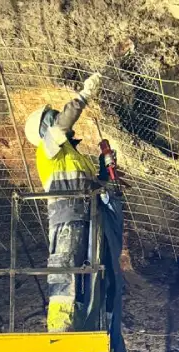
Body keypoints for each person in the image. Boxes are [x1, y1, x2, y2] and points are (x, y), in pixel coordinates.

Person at [24, 72, 103, 332]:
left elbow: (89, 184)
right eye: (51, 117)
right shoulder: (46, 149)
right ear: (43, 128)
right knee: (65, 265)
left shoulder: (73, 156)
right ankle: (59, 326)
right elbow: (62, 125)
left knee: (84, 271)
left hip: (86, 216)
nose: (55, 116)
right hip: (67, 216)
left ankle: (78, 322)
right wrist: (84, 95)